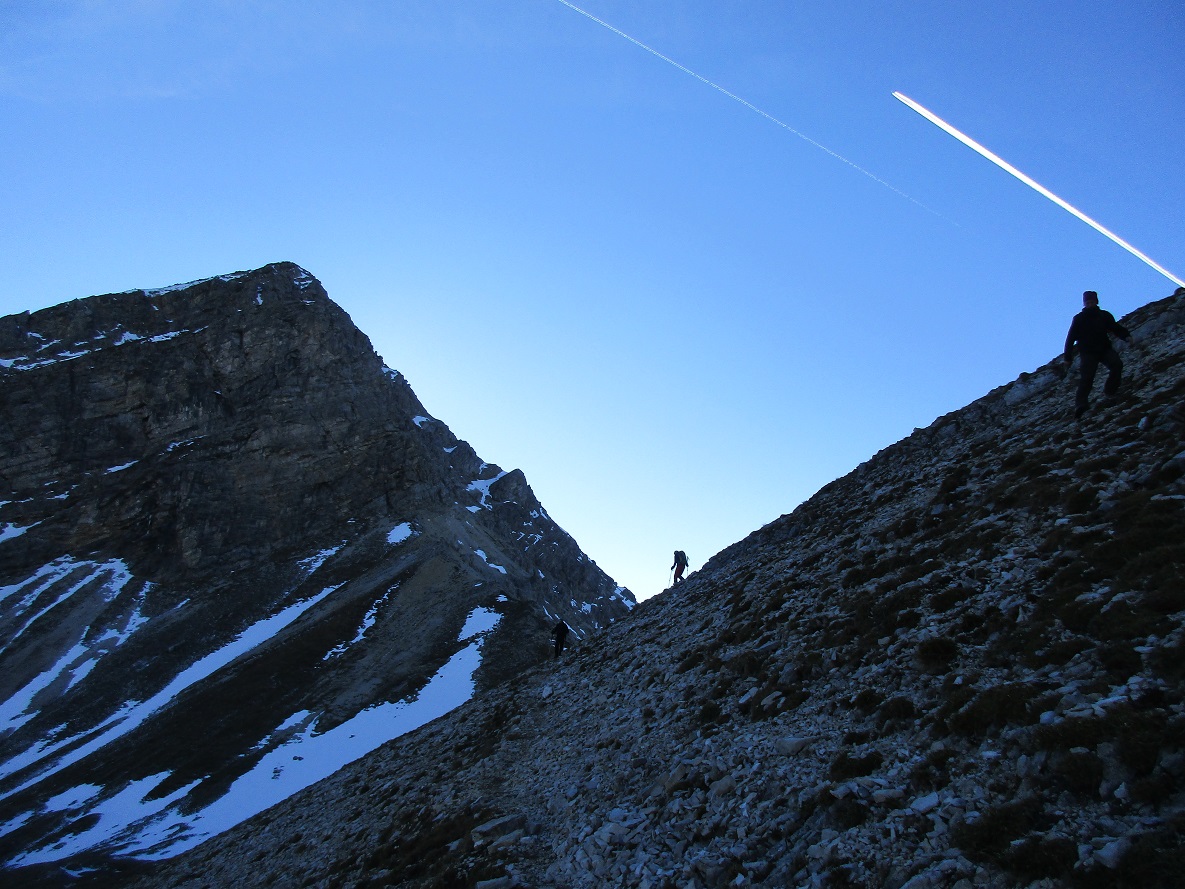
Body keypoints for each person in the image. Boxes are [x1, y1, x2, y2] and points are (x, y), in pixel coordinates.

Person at [1064, 290, 1131, 419]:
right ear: (1084, 303)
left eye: (1092, 302)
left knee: (1117, 365)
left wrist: (1126, 336)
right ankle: (1081, 405)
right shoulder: (1079, 318)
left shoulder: (1104, 315)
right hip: (1087, 352)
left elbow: (1115, 328)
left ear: (1096, 302)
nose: (1089, 304)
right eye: (1087, 302)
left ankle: (1110, 391)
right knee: (1087, 378)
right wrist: (1068, 357)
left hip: (1104, 349)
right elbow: (1070, 338)